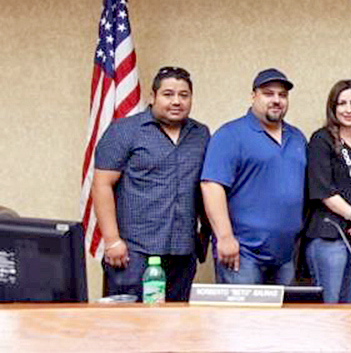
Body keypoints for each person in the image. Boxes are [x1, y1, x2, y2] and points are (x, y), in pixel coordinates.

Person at [92, 66, 210, 301]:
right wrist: (112, 240)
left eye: (183, 95)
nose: (176, 101)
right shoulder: (124, 131)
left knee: (175, 326)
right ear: (153, 96)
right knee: (131, 327)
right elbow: (101, 185)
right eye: (168, 94)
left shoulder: (201, 134)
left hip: (182, 250)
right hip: (134, 251)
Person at [201, 68, 307, 285]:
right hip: (242, 254)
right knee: (242, 318)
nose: (276, 100)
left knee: (280, 318)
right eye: (268, 93)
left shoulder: (297, 138)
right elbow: (211, 186)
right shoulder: (230, 134)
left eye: (282, 95)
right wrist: (225, 237)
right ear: (253, 96)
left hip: (286, 254)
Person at [303, 80, 351, 303]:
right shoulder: (321, 139)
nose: (348, 109)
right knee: (329, 307)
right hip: (328, 236)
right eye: (341, 103)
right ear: (332, 108)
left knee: (350, 306)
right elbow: (323, 191)